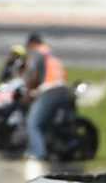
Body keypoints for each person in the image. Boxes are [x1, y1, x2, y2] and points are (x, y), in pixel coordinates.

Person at [22, 32, 71, 160]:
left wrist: (27, 92)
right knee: (49, 122)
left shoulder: (37, 53)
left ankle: (38, 153)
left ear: (32, 44)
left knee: (33, 123)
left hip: (50, 90)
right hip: (64, 89)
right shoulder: (51, 53)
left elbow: (33, 74)